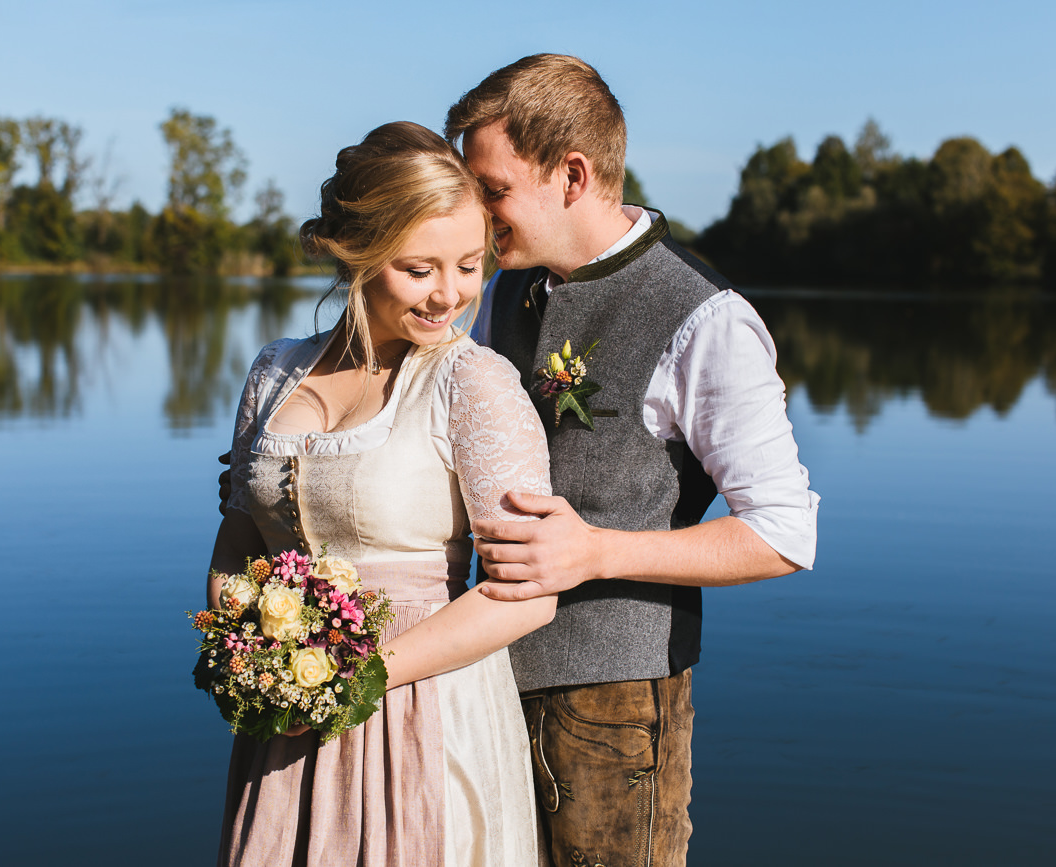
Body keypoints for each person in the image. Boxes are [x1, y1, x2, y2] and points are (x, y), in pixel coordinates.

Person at [440, 55, 820, 866]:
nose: (475, 213)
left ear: (571, 175)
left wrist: (599, 550)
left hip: (616, 712)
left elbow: (785, 532)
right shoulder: (507, 290)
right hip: (484, 682)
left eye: (493, 189)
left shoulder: (707, 318)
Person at [208, 121, 555, 867]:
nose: (450, 295)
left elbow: (528, 594)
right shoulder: (275, 373)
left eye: (469, 265)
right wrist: (246, 660)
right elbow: (238, 546)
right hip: (287, 729)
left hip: (426, 711)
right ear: (356, 253)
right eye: (419, 268)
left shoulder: (473, 383)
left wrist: (360, 679)